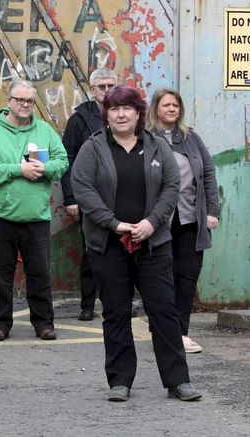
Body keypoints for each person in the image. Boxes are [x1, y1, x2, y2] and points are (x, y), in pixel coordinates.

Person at [71, 85, 201, 402]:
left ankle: (177, 381)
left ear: (139, 112)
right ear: (107, 114)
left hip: (153, 243)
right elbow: (82, 188)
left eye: (127, 108)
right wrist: (113, 223)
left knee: (163, 312)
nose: (121, 114)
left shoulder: (156, 146)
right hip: (109, 245)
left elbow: (172, 186)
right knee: (116, 312)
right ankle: (120, 381)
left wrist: (151, 222)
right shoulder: (93, 148)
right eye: (114, 109)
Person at [0, 79, 67, 342]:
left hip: (35, 216)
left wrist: (44, 169)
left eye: (30, 101)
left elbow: (62, 161)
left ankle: (43, 323)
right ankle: (0, 324)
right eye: (20, 100)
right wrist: (20, 169)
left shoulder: (44, 132)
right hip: (0, 216)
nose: (25, 105)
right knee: (0, 274)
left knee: (39, 273)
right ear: (9, 102)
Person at [147, 88, 220, 354]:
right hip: (158, 222)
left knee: (187, 276)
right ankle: (162, 328)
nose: (171, 109)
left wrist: (212, 210)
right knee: (161, 277)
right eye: (166, 105)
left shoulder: (191, 138)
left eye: (175, 105)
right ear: (155, 108)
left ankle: (180, 332)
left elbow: (209, 174)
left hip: (190, 219)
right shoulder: (146, 139)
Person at [61, 68, 117, 321]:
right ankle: (87, 304)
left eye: (110, 86)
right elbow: (67, 160)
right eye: (101, 86)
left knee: (121, 253)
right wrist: (71, 198)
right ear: (92, 89)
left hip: (121, 195)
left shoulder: (127, 114)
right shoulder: (80, 119)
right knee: (91, 251)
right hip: (91, 197)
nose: (106, 91)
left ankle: (115, 303)